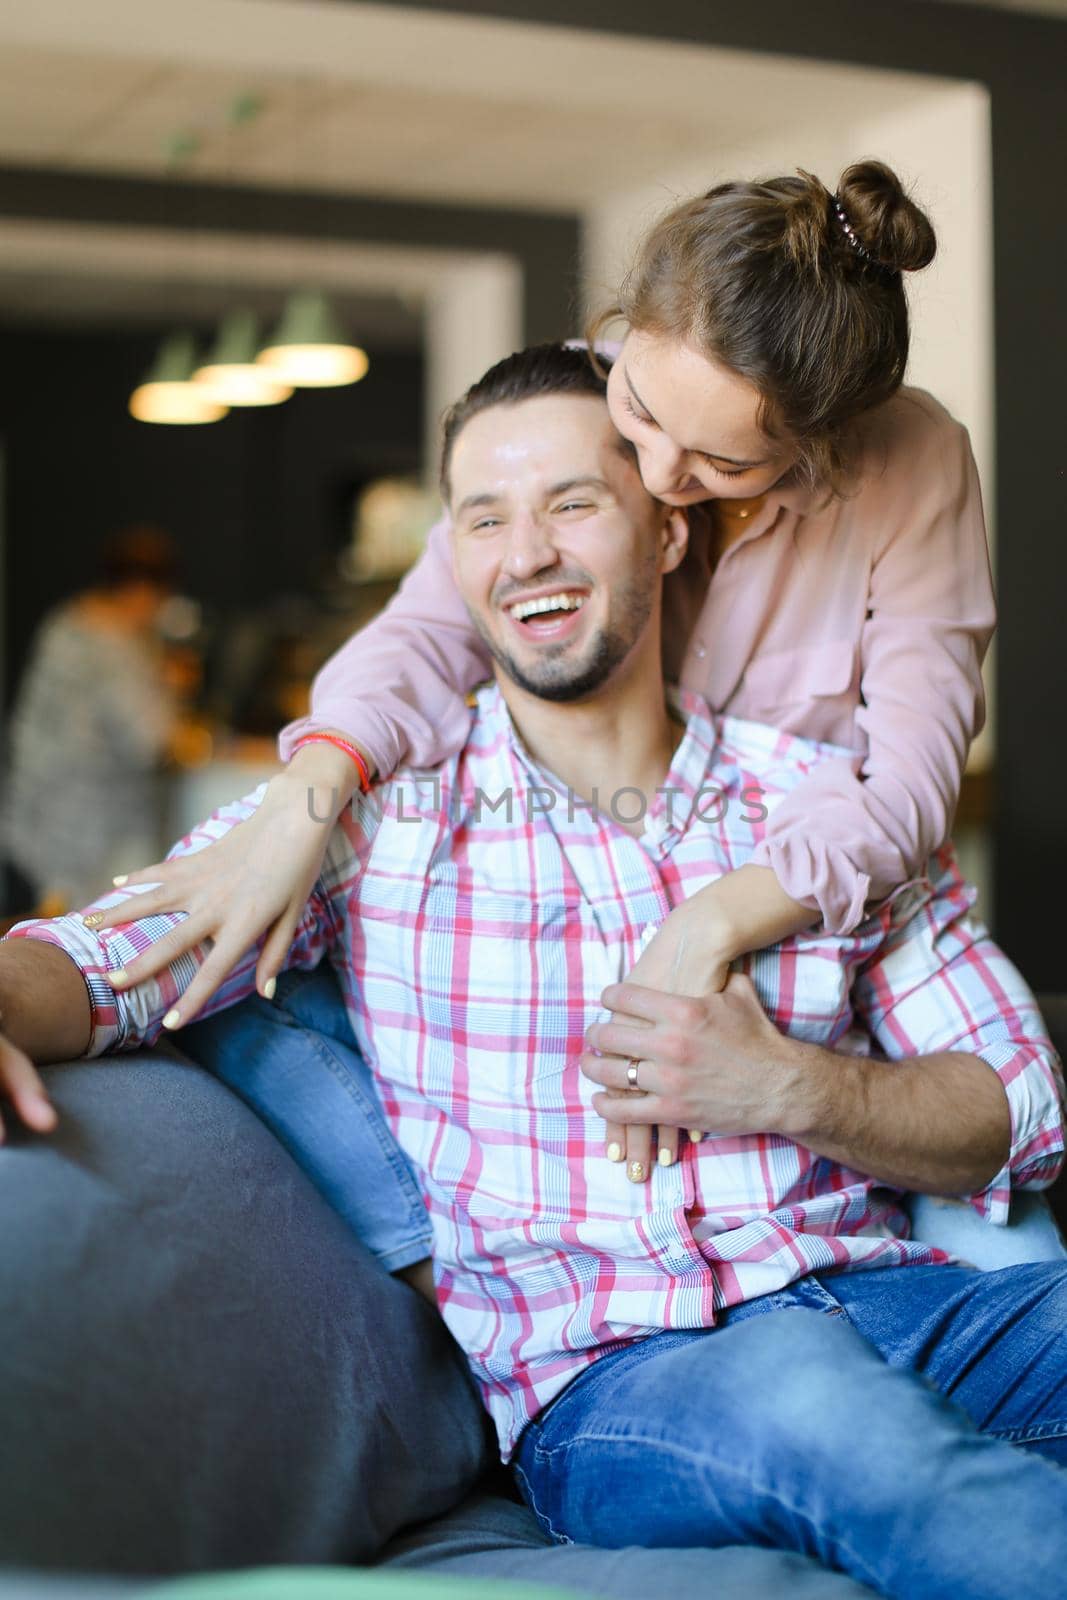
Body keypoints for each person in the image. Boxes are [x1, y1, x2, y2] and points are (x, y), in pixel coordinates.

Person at [2, 346, 1064, 1600]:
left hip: (900, 1305)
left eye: (571, 503)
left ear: (668, 530)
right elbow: (104, 957)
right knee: (820, 1408)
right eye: (484, 517)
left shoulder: (821, 814)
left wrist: (788, 1087)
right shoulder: (374, 826)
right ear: (451, 562)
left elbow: (1017, 1109)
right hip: (620, 1381)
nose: (527, 553)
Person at [86, 161, 996, 1174]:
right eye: (640, 413)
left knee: (1012, 1256)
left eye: (720, 467)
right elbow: (427, 629)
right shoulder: (568, 396)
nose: (659, 482)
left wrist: (708, 921)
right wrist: (307, 789)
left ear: (820, 446)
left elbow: (907, 782)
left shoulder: (909, 462)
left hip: (812, 934)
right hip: (583, 883)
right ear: (624, 327)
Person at [2, 525, 181, 914]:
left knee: (46, 931)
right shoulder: (117, 644)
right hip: (87, 834)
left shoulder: (65, 623)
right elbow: (153, 739)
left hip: (35, 816)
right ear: (145, 591)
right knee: (92, 939)